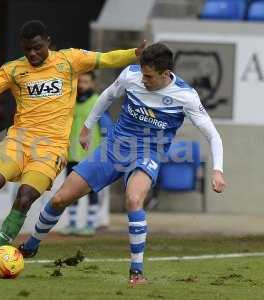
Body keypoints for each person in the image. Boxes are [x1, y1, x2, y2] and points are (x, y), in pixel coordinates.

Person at [0, 20, 145, 277]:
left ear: (48, 42)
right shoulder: (13, 70)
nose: (32, 54)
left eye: (37, 48)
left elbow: (105, 59)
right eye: (27, 49)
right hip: (19, 140)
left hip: (51, 148)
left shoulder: (69, 60)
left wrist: (133, 54)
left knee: (26, 196)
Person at [20, 43, 226, 286]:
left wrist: (217, 170)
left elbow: (213, 135)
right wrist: (87, 126)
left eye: (148, 76)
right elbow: (107, 96)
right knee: (59, 198)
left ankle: (136, 271)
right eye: (142, 73)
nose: (143, 79)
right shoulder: (131, 75)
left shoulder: (186, 96)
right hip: (115, 147)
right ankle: (30, 247)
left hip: (148, 152)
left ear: (165, 73)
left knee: (133, 200)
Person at [61, 71, 113, 236]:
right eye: (80, 82)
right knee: (70, 192)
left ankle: (90, 224)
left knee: (91, 192)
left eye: (86, 82)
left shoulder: (97, 102)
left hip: (92, 157)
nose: (82, 85)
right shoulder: (71, 103)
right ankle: (72, 224)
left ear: (92, 84)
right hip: (72, 156)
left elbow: (107, 128)